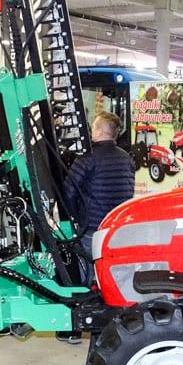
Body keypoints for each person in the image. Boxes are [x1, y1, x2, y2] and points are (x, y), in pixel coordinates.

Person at [58, 111, 134, 342]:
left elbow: (67, 192)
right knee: (111, 279)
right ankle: (113, 328)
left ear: (100, 131)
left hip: (92, 228)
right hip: (118, 229)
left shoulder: (87, 159)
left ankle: (73, 330)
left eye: (93, 127)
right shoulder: (126, 158)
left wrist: (75, 218)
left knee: (81, 277)